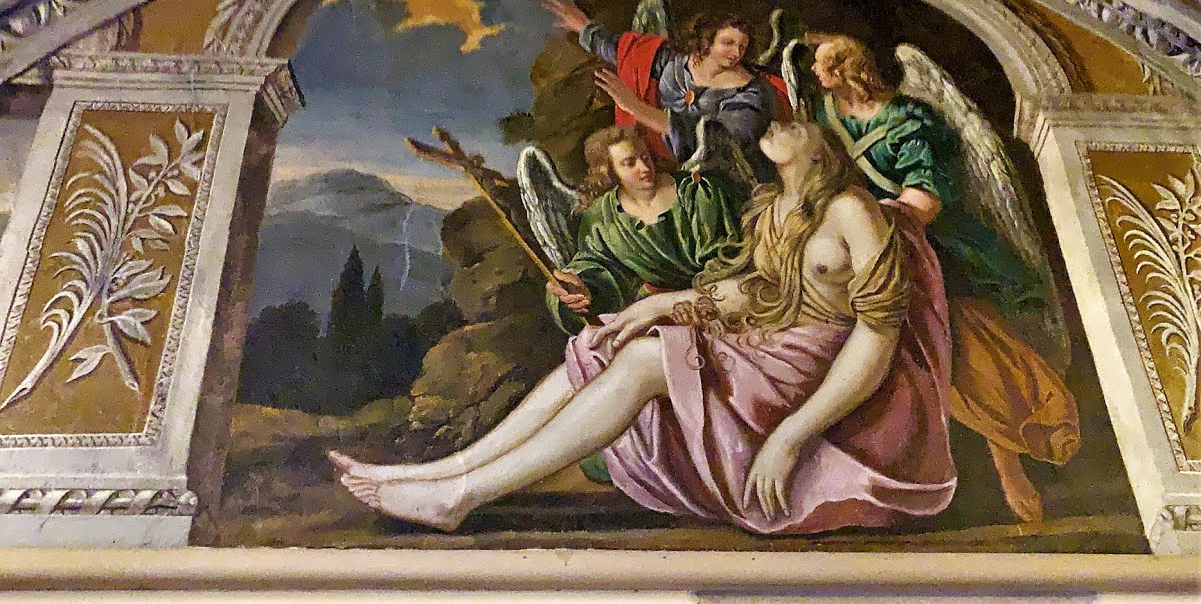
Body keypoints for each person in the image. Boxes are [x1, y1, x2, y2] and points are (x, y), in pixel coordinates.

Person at [331, 117, 956, 535]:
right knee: (603, 339)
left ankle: (461, 497)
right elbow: (755, 290)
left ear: (821, 150)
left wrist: (792, 434)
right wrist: (651, 307)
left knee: (642, 360)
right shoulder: (773, 207)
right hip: (771, 345)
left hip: (812, 366)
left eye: (796, 124)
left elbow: (878, 336)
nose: (779, 122)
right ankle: (441, 472)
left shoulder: (853, 210)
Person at [810, 35, 1079, 525]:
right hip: (865, 246)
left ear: (850, 69)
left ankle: (1009, 468)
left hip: (935, 245)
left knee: (968, 356)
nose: (814, 71)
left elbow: (927, 198)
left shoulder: (910, 119)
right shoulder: (829, 115)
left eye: (824, 63)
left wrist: (872, 223)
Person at [545, 0, 788, 174]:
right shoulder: (673, 59)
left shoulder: (752, 93)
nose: (736, 52)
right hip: (652, 167)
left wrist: (635, 107)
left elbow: (721, 140)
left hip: (713, 180)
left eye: (742, 47)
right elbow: (625, 51)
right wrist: (584, 27)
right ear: (707, 39)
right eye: (728, 43)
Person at [544, 126, 744, 334]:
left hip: (715, 300)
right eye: (629, 163)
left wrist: (694, 303)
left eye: (645, 157)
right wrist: (579, 289)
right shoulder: (602, 216)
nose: (644, 167)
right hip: (654, 315)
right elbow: (595, 266)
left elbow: (725, 259)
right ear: (610, 171)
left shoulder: (697, 191)